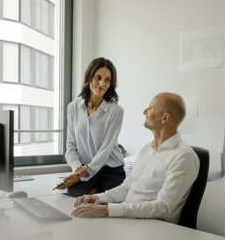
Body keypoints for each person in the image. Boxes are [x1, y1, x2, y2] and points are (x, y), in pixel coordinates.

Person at [71, 92, 200, 224]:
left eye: (151, 107)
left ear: (165, 118)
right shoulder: (146, 150)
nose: (145, 111)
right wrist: (97, 198)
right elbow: (126, 189)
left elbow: (163, 208)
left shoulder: (184, 157)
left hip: (153, 228)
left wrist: (107, 210)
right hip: (130, 220)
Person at [58, 57, 125, 197]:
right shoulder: (73, 107)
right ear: (89, 77)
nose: (102, 83)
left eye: (107, 80)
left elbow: (106, 149)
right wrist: (77, 170)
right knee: (74, 196)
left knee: (106, 202)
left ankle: (96, 192)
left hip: (110, 169)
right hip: (84, 168)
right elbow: (70, 146)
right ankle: (94, 191)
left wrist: (82, 176)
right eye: (98, 77)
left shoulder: (116, 111)